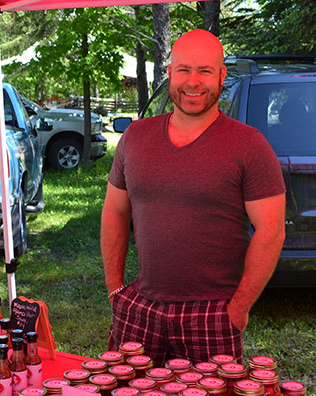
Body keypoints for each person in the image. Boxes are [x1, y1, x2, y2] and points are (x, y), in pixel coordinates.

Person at [101, 29, 286, 366]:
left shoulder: (249, 145)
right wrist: (115, 289)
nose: (193, 82)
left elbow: (271, 231)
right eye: (184, 69)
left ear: (221, 75)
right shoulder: (136, 137)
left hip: (212, 313)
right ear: (169, 73)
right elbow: (114, 212)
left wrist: (238, 308)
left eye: (204, 71)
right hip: (140, 307)